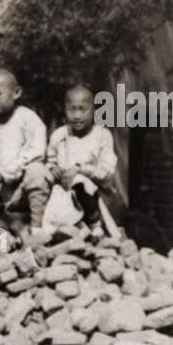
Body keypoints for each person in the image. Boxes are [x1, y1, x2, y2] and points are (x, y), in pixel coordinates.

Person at [0, 66, 49, 241]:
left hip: (22, 191)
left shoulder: (28, 119)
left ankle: (36, 229)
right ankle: (4, 231)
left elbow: (36, 152)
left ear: (16, 93)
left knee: (37, 171)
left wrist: (5, 173)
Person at [46, 83, 119, 233]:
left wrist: (81, 169)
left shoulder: (102, 135)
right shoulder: (59, 135)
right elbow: (50, 160)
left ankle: (95, 223)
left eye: (82, 109)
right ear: (65, 110)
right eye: (72, 109)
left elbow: (108, 170)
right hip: (65, 191)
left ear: (93, 111)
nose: (77, 116)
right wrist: (53, 169)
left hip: (95, 194)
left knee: (80, 181)